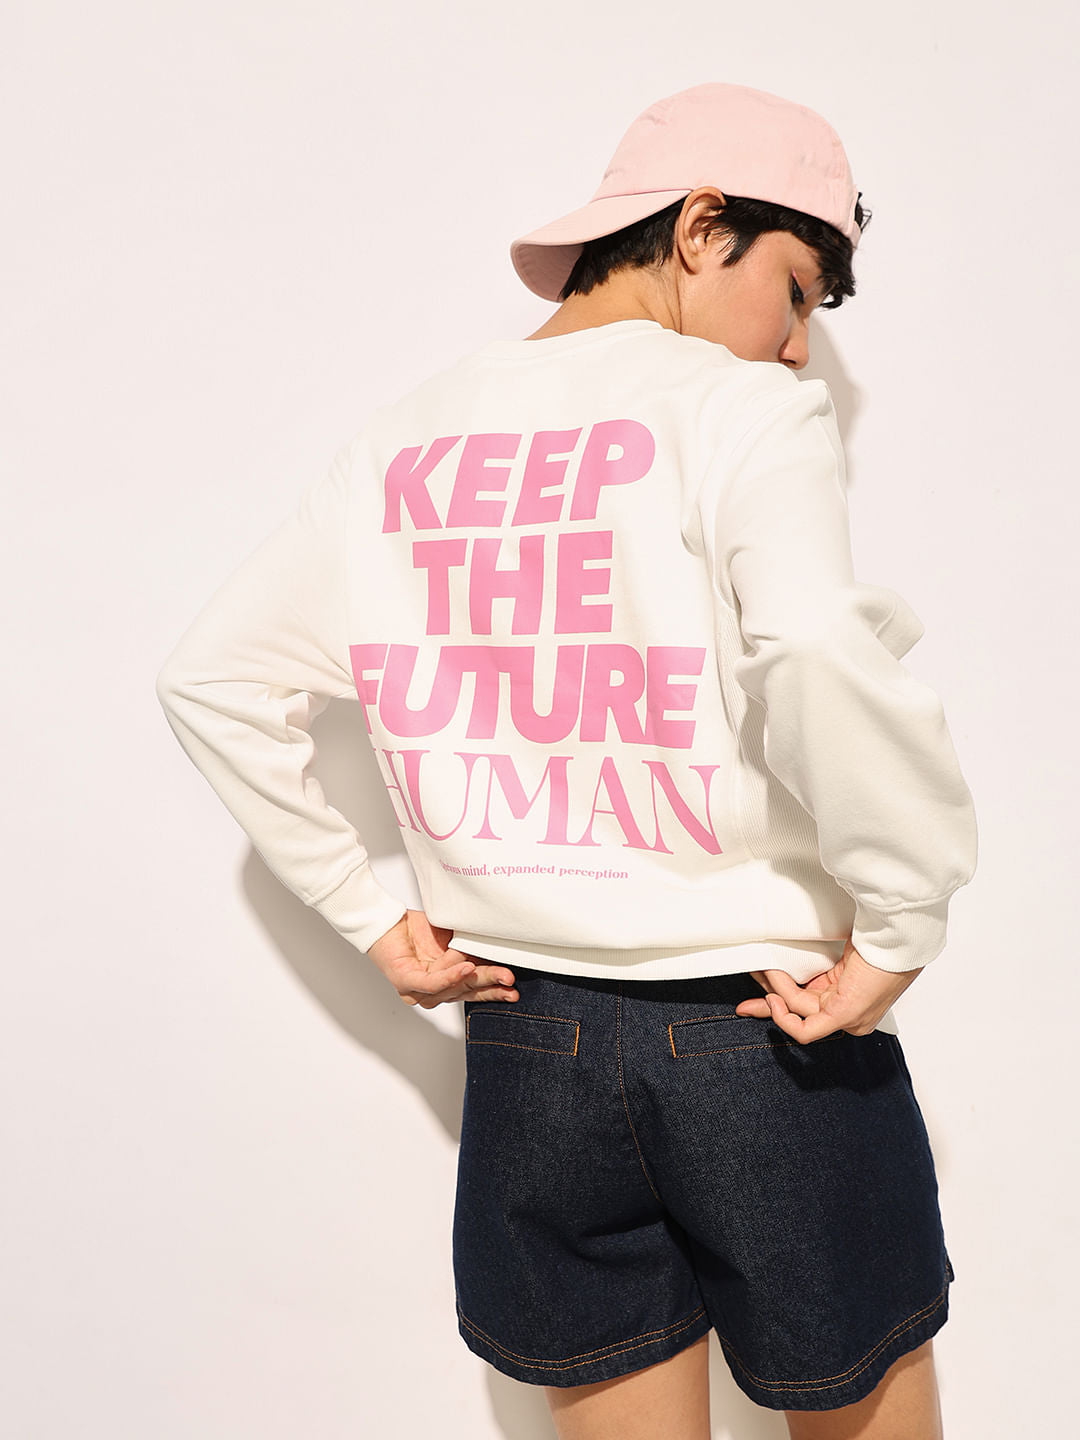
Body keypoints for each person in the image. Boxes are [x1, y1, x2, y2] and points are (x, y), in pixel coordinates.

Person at [156, 81, 977, 1439]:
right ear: (701, 228)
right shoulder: (739, 411)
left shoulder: (408, 437)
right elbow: (816, 648)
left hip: (530, 1047)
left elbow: (212, 676)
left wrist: (375, 923)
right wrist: (903, 918)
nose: (796, 347)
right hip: (762, 1035)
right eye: (797, 290)